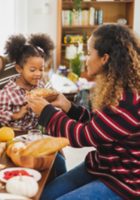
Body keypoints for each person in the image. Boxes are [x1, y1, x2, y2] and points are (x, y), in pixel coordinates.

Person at [27, 24, 140, 199]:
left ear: (105, 58)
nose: (85, 59)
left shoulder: (129, 102)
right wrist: (68, 107)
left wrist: (46, 112)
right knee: (43, 196)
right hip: (102, 165)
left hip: (123, 181)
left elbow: (82, 137)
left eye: (89, 53)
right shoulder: (114, 88)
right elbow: (98, 126)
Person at [0, 33, 54, 131]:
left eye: (41, 69)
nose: (38, 74)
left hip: (37, 132)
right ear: (19, 68)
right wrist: (16, 115)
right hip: (17, 134)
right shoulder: (7, 92)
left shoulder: (41, 85)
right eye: (33, 70)